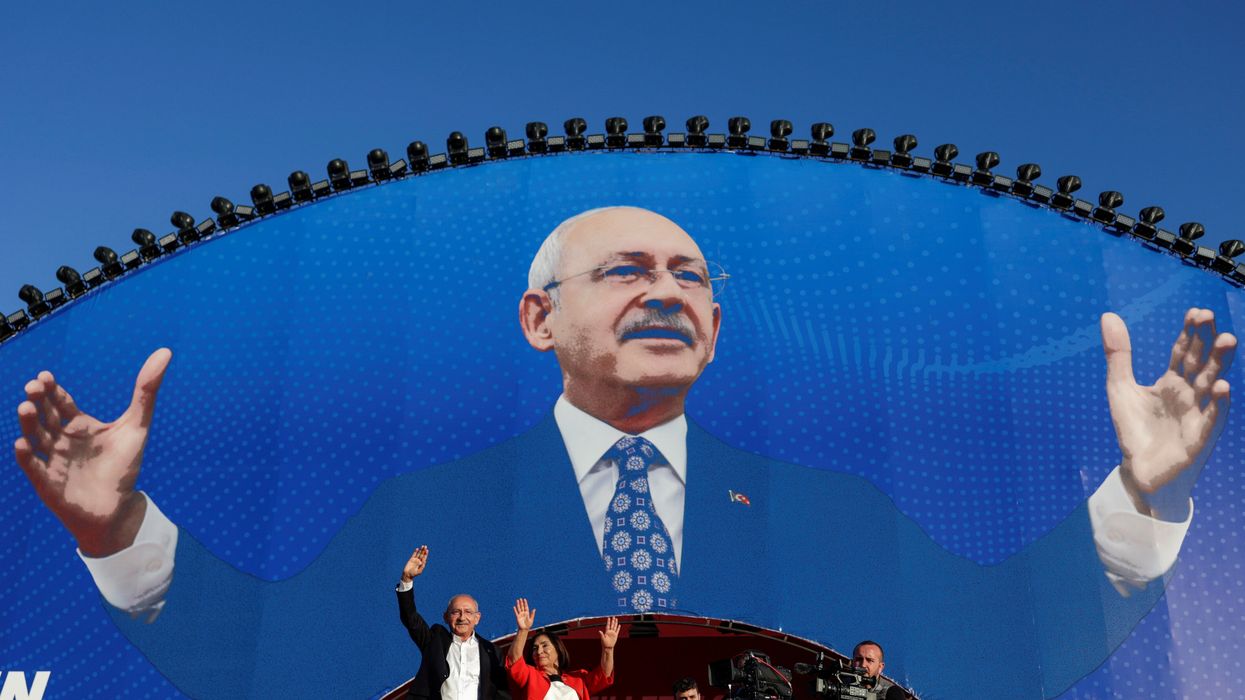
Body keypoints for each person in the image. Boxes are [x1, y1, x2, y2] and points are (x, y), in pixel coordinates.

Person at [12, 206, 1237, 699]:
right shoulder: (431, 504)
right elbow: (280, 661)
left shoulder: (835, 510)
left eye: (692, 277)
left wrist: (1143, 495)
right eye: (629, 270)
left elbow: (994, 635)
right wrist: (116, 530)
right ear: (540, 319)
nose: (669, 291)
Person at [396, 545, 509, 700]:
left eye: (468, 612)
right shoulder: (434, 641)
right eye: (456, 612)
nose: (462, 617)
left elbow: (502, 692)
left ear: (477, 618)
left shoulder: (492, 651)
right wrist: (407, 579)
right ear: (446, 617)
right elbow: (410, 618)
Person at [505, 598, 617, 700]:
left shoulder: (578, 679)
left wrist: (608, 649)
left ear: (558, 649)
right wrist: (523, 631)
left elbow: (603, 675)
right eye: (535, 648)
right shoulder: (530, 676)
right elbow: (514, 661)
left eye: (545, 646)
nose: (539, 651)